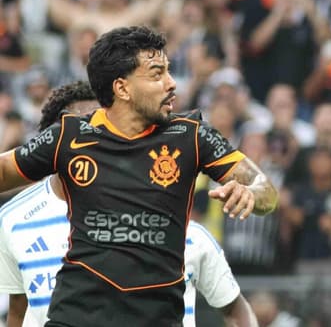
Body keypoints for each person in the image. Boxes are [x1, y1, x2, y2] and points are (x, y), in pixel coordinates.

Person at [0, 26, 278, 326]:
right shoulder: (70, 136)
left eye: (169, 71)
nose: (171, 84)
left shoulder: (192, 136)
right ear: (122, 88)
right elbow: (4, 171)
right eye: (157, 74)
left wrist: (251, 193)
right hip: (77, 317)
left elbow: (265, 190)